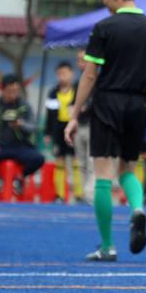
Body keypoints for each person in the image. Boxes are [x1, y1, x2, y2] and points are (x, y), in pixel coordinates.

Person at [64, 0, 146, 262]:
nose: (104, 4)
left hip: (107, 103)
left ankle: (107, 246)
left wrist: (74, 114)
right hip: (139, 104)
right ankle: (137, 209)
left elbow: (89, 75)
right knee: (127, 168)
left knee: (103, 173)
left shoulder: (104, 27)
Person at [0, 74, 45, 195]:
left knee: (39, 159)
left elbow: (34, 127)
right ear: (3, 90)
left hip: (20, 146)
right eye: (10, 91)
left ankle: (20, 178)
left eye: (16, 91)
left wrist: (21, 124)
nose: (13, 94)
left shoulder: (25, 105)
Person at [44, 61, 83, 203]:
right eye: (59, 74)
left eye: (65, 73)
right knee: (59, 162)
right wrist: (48, 133)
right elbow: (49, 115)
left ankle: (79, 194)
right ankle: (60, 195)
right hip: (58, 130)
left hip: (73, 129)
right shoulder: (53, 93)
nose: (62, 76)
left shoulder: (77, 91)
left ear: (71, 74)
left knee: (76, 162)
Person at [73, 50, 95, 204]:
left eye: (83, 59)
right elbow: (73, 103)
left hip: (93, 126)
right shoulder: (77, 83)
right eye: (78, 60)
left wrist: (86, 107)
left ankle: (90, 193)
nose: (81, 63)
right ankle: (82, 193)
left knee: (92, 162)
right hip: (79, 126)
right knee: (81, 162)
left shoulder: (98, 80)